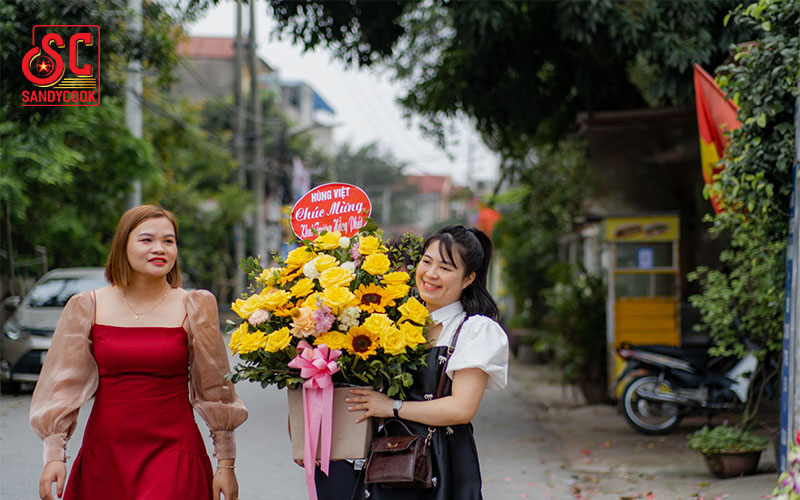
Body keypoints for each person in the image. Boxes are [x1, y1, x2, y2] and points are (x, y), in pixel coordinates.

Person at [30, 205, 248, 500]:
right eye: (147, 240)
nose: (159, 248)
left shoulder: (195, 306)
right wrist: (54, 455)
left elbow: (215, 389)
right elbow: (61, 386)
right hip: (106, 453)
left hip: (175, 450)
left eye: (168, 241)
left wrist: (225, 463)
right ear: (123, 246)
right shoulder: (86, 306)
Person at [347, 225, 509, 500]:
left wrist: (391, 407)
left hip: (441, 461)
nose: (431, 274)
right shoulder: (394, 321)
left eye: (446, 268)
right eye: (426, 261)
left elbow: (461, 408)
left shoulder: (473, 329)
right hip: (388, 460)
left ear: (468, 278)